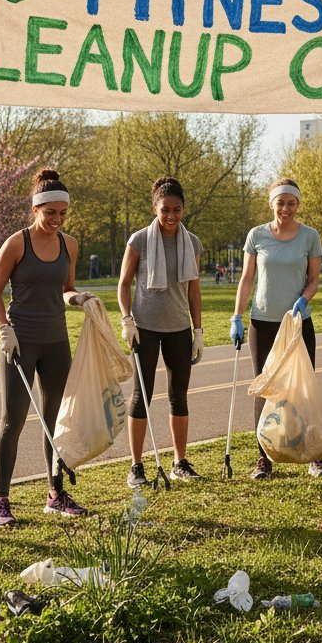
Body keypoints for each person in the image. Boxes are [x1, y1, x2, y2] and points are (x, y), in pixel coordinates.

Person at [0, 169, 96, 525]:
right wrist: (5, 329)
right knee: (12, 421)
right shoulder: (16, 243)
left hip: (56, 342)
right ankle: (1, 502)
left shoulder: (70, 245)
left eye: (63, 213)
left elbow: (65, 288)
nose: (57, 219)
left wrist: (78, 298)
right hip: (20, 342)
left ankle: (55, 494)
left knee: (54, 421)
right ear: (35, 209)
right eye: (50, 213)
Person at [231, 178, 322, 480]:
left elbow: (313, 280)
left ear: (298, 205)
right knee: (264, 387)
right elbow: (247, 278)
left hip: (297, 323)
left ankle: (313, 456)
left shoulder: (310, 236)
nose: (286, 208)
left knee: (302, 388)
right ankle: (264, 458)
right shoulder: (256, 235)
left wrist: (303, 300)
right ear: (271, 204)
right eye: (280, 202)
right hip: (263, 322)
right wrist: (237, 316)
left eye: (291, 203)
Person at [118, 176, 203, 487]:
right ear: (155, 208)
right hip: (145, 329)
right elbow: (124, 284)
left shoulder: (193, 243)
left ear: (183, 209)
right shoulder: (139, 240)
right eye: (165, 209)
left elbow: (194, 290)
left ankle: (180, 462)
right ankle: (136, 466)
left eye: (176, 210)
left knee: (179, 396)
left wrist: (198, 330)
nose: (171, 215)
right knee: (142, 396)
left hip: (179, 328)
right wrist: (127, 320)